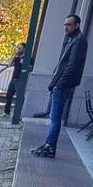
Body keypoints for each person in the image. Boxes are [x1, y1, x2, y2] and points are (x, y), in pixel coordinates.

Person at [32, 14, 88, 158]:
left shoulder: (78, 41)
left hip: (63, 85)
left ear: (77, 25)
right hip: (61, 85)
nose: (66, 27)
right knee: (53, 117)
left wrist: (58, 85)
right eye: (65, 24)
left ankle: (50, 146)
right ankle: (49, 145)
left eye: (69, 24)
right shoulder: (73, 40)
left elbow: (71, 66)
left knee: (55, 117)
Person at [4, 43, 26, 115]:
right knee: (9, 95)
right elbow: (9, 65)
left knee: (19, 97)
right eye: (18, 48)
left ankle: (18, 113)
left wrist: (23, 59)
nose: (18, 50)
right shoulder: (17, 58)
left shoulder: (26, 59)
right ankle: (6, 112)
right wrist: (14, 56)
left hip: (20, 80)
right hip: (13, 79)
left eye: (20, 48)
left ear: (24, 49)